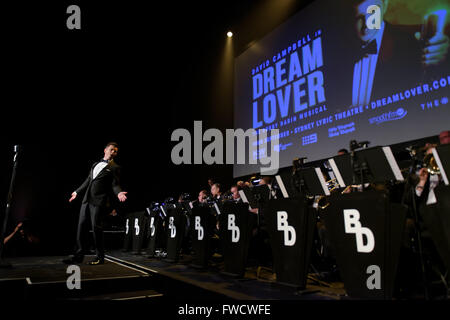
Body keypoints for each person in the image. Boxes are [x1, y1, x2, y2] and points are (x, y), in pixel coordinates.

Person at [63, 142, 128, 265]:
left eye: (115, 151)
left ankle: (99, 257)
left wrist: (119, 193)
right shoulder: (95, 164)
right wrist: (77, 192)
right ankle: (78, 256)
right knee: (81, 227)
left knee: (96, 228)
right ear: (105, 150)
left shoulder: (114, 167)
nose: (114, 152)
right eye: (112, 150)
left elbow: (115, 184)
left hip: (99, 201)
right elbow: (88, 180)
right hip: (86, 200)